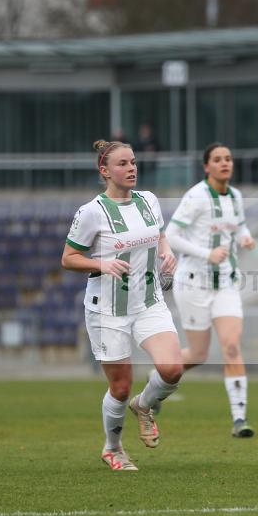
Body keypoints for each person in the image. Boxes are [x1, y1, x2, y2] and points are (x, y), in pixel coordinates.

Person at [62, 139, 183, 472]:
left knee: (172, 369)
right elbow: (69, 258)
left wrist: (166, 251)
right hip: (108, 309)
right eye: (123, 164)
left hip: (148, 301)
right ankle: (113, 448)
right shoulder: (91, 212)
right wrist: (102, 264)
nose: (132, 168)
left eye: (133, 162)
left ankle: (144, 406)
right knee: (120, 386)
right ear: (104, 171)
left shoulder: (149, 200)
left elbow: (159, 234)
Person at [163, 143, 257, 437]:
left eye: (228, 158)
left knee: (231, 346)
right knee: (198, 354)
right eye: (217, 159)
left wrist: (245, 238)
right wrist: (207, 254)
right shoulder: (196, 197)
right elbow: (170, 236)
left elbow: (238, 228)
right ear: (207, 167)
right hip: (193, 283)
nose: (224, 163)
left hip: (226, 283)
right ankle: (159, 378)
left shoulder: (236, 196)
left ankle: (239, 419)